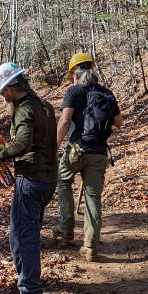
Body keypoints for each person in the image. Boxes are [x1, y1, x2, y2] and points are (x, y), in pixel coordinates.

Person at [0, 62, 57, 294]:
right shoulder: (44, 106)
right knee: (25, 233)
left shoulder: (25, 110)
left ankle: (29, 292)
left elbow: (23, 144)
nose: (2, 97)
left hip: (31, 179)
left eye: (2, 92)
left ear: (8, 88)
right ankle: (28, 283)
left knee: (22, 236)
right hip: (47, 179)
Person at [54, 53, 122, 262]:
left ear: (75, 74)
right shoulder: (106, 93)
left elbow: (65, 121)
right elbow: (118, 122)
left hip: (76, 150)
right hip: (99, 153)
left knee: (63, 181)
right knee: (93, 197)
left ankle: (66, 231)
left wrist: (54, 146)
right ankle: (91, 245)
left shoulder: (73, 91)